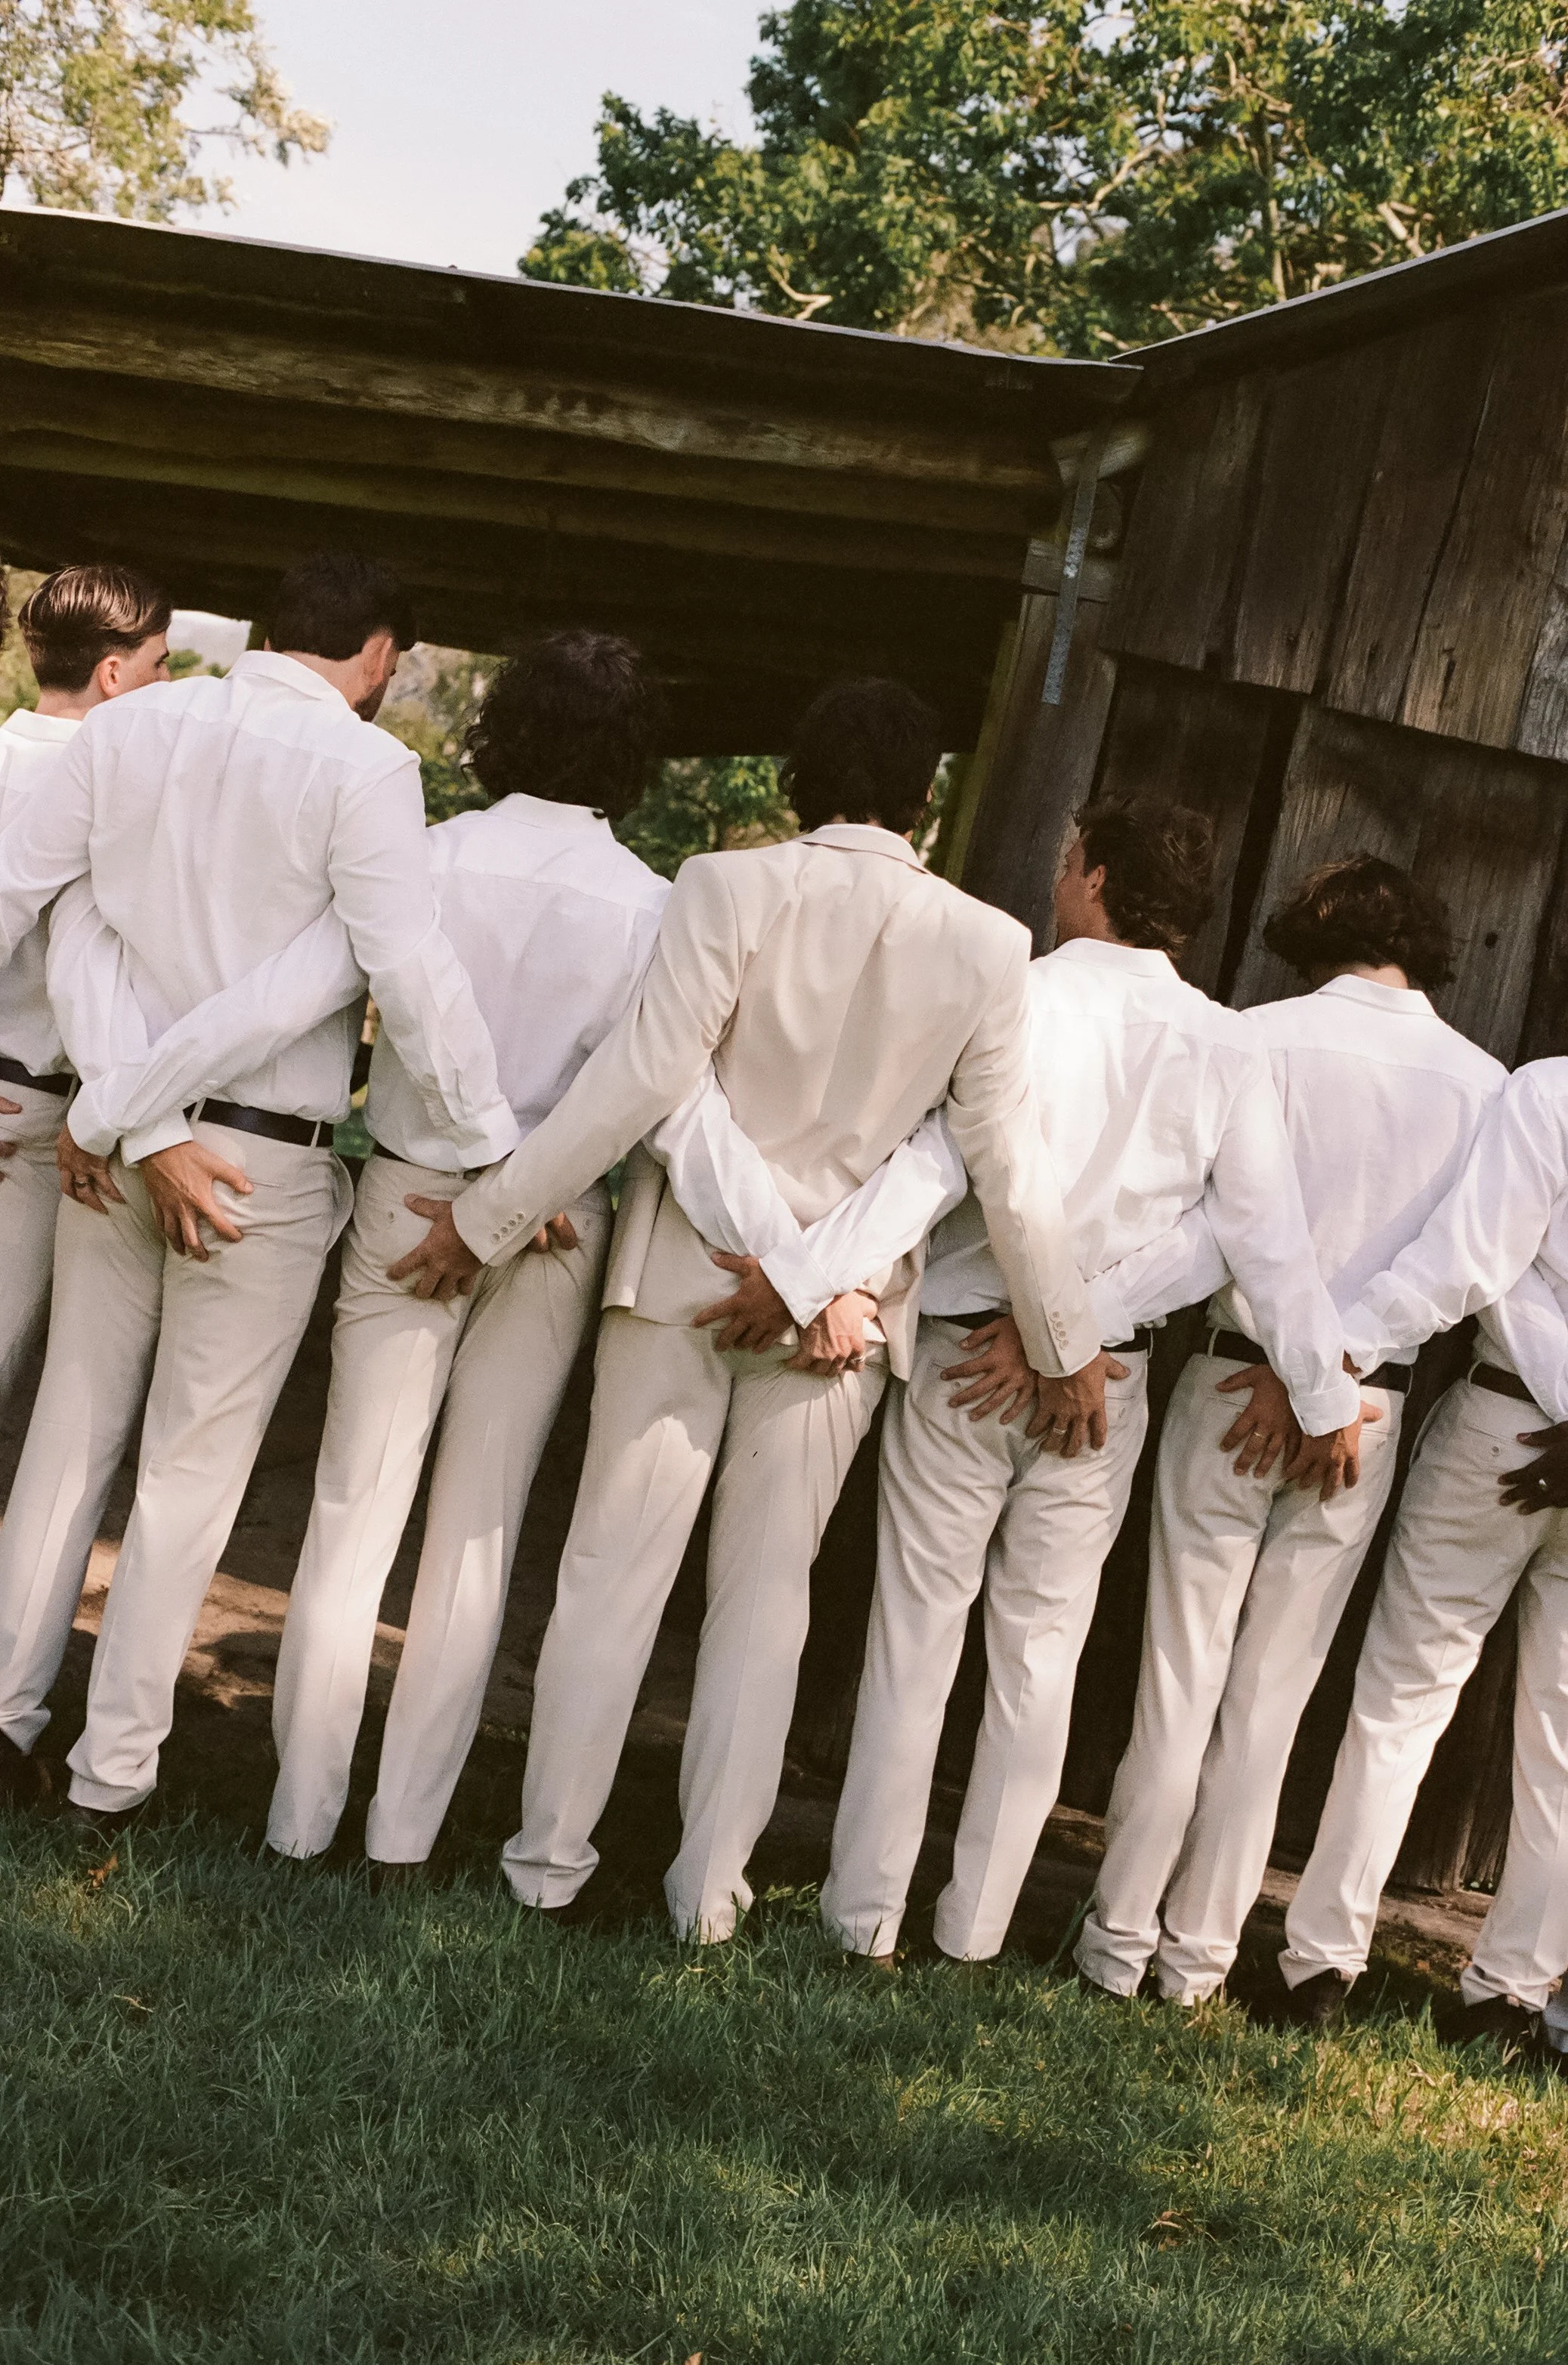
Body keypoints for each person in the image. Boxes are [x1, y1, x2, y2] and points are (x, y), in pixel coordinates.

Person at [391, 675, 1109, 1942]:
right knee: (768, 1604)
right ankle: (706, 1897)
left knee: (612, 1573)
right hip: (836, 1324)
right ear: (927, 799)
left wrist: (491, 1218)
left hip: (682, 1282)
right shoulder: (991, 945)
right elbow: (984, 1155)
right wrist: (1039, 1337)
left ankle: (546, 1863)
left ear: (793, 782)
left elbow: (653, 1091)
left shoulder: (721, 889)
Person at [261, 633, 958, 1871]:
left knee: (352, 1506)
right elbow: (642, 1088)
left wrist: (485, 1182)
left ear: (501, 732)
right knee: (482, 1526)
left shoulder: (427, 857)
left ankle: (298, 1815)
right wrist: (537, 1189)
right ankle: (404, 1833)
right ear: (635, 756)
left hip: (416, 1196)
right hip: (560, 1223)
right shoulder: (650, 901)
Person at [0, 549, 518, 1825]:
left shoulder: (136, 724)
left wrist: (130, 1112)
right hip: (259, 1165)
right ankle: (109, 1772)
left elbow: (42, 908)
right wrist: (493, 1145)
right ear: (381, 655)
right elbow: (404, 970)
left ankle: (4, 1716)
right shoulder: (369, 769)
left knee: (70, 1434)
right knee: (190, 1475)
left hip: (110, 1143)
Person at [821, 805, 1362, 1968]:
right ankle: (969, 1932)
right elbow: (1251, 1239)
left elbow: (937, 1160)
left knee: (915, 1635)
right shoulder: (1223, 1043)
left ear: (1093, 878)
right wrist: (1321, 1398)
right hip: (1105, 1382)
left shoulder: (1015, 992)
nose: (1058, 872)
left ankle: (862, 1916)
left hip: (972, 1352)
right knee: (1039, 1652)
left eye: (1065, 857)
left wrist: (822, 1274)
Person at [1069, 857, 1504, 2002]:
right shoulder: (1477, 1081)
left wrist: (1296, 1366)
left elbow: (1217, 1226)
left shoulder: (1252, 1037)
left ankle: (1115, 1944)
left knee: (1180, 1666)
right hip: (1364, 1409)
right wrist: (1342, 1368)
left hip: (1235, 1382)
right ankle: (1197, 1959)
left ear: (1307, 930)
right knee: (1274, 1687)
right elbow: (1458, 1268)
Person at [1276, 1056, 1568, 2046]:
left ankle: (1318, 1965)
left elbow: (1476, 1261)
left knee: (1400, 1699)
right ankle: (1504, 1999)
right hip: (1529, 1428)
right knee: (1561, 1745)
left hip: (1503, 1424)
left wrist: (1335, 1352)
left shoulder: (1547, 1093)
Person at [0, 565, 171, 1405]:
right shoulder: (114, 786)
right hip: (32, 1119)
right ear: (113, 673)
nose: (169, 686)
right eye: (161, 665)